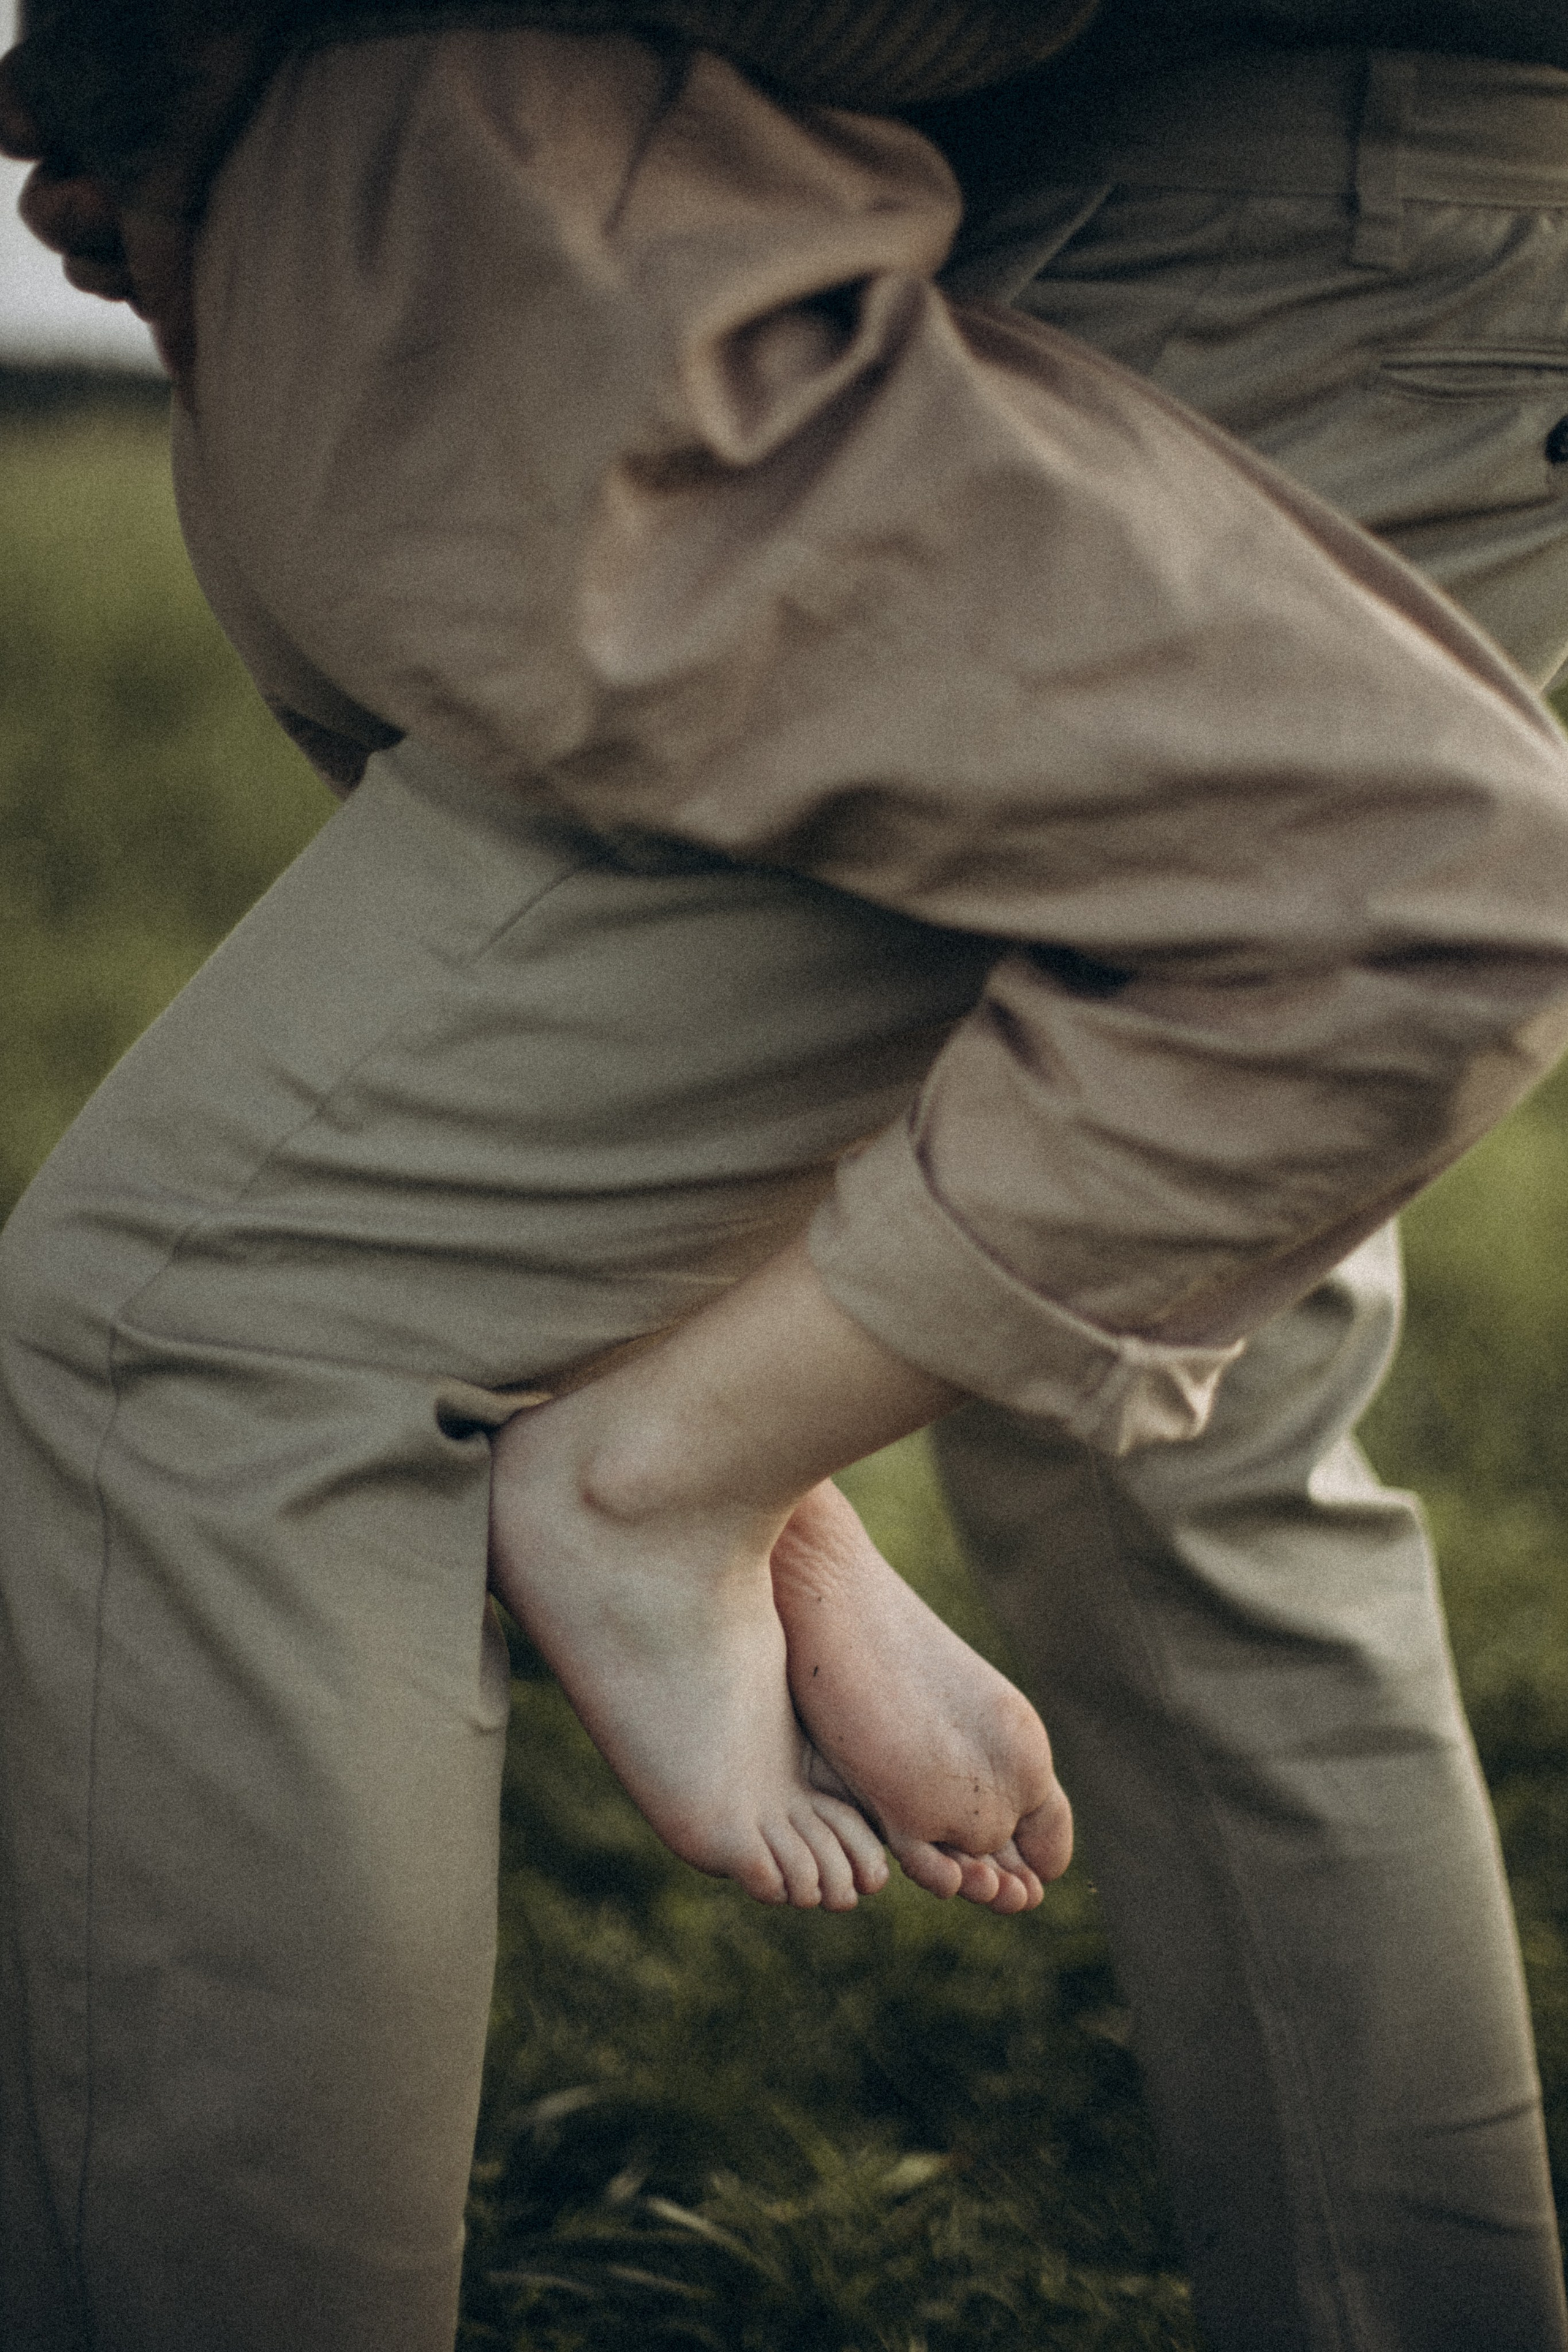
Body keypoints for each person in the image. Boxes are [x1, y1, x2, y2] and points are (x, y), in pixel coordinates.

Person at [7, 12, 1568, 2352]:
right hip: (1389, 213)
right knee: (1183, 1416)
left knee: (223, 1338)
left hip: (1261, 231)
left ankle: (666, 1494)